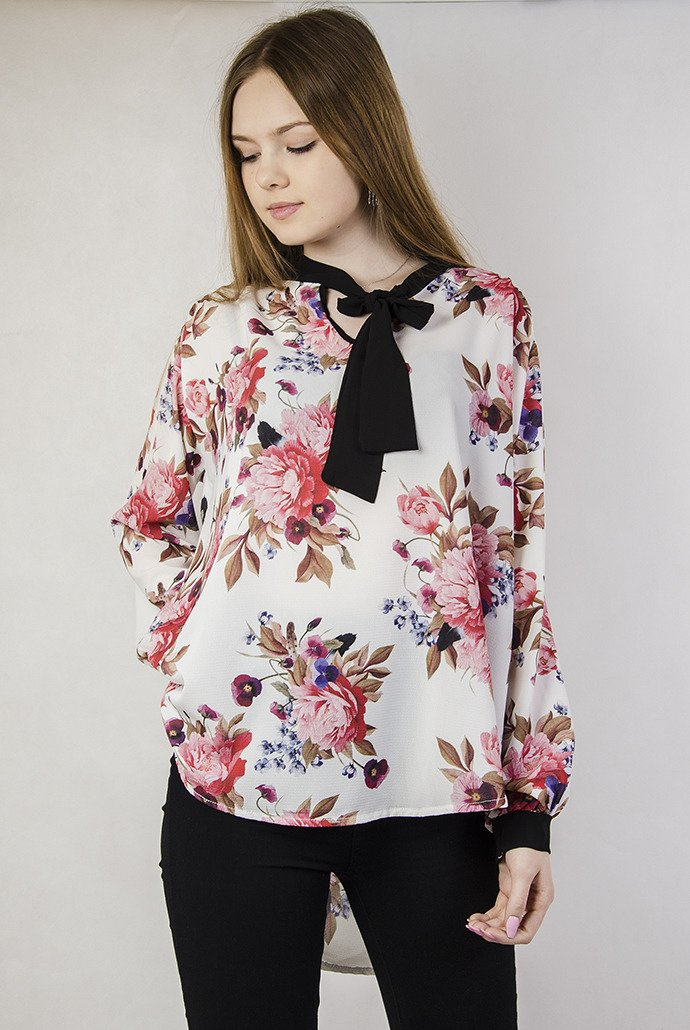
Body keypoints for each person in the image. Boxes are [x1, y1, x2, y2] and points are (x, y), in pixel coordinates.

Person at [109, 4, 575, 1027]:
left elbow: (515, 567)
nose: (268, 175)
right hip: (239, 780)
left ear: (364, 131)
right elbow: (152, 520)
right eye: (246, 153)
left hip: (438, 786)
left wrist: (527, 810)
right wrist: (200, 661)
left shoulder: (488, 318)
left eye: (298, 143)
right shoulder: (223, 328)